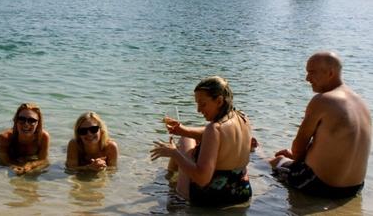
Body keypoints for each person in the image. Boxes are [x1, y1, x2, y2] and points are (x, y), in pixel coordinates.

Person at [269, 51, 371, 198]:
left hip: (321, 186)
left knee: (273, 161)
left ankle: (256, 152)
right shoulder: (361, 102)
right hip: (354, 188)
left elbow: (298, 147)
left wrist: (294, 159)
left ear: (330, 73)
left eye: (311, 72)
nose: (307, 78)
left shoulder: (322, 100)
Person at [150, 76, 252, 207]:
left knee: (184, 145)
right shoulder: (243, 118)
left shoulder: (214, 129)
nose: (198, 110)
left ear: (219, 101)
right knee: (186, 137)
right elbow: (219, 137)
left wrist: (174, 153)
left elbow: (202, 179)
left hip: (213, 199)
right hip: (241, 192)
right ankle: (171, 179)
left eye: (202, 104)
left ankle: (174, 193)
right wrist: (183, 130)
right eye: (197, 104)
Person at [0, 103, 50, 175]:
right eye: (22, 119)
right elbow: (3, 160)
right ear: (16, 121)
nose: (26, 124)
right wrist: (13, 166)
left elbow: (43, 160)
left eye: (32, 120)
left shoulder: (43, 137)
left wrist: (31, 165)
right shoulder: (5, 137)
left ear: (38, 123)